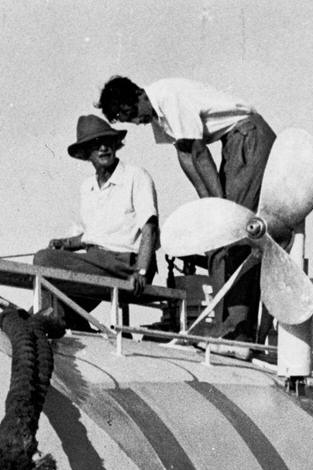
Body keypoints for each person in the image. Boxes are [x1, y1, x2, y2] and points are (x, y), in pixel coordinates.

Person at [99, 76, 275, 345]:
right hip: (233, 141)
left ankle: (237, 328)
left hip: (247, 136)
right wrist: (207, 204)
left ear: (138, 96)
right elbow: (184, 156)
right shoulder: (158, 114)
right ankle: (230, 324)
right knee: (221, 236)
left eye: (132, 114)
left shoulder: (168, 98)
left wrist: (219, 207)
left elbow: (199, 151)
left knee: (235, 234)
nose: (136, 122)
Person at [33, 114, 159, 332]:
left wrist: (141, 270)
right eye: (95, 145)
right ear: (85, 154)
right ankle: (67, 321)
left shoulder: (135, 176)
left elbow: (150, 227)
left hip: (126, 264)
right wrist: (67, 243)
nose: (103, 149)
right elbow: (96, 234)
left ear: (116, 145)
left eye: (107, 142)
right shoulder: (87, 187)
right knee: (50, 295)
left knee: (43, 259)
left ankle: (59, 319)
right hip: (96, 261)